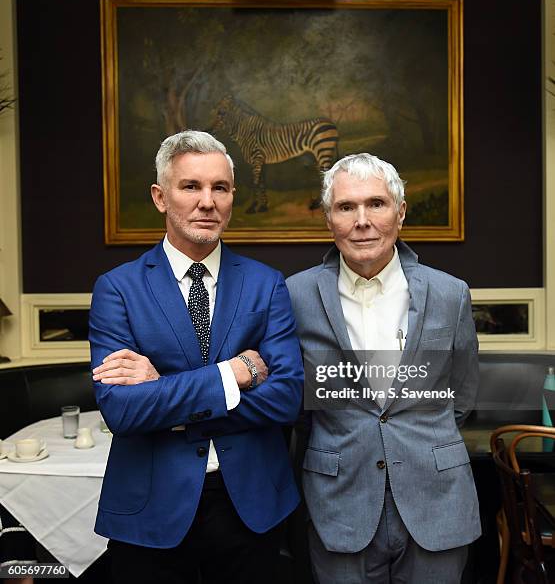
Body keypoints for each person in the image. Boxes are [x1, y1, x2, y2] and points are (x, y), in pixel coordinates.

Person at [89, 130, 304, 584]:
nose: (207, 201)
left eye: (220, 188)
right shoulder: (118, 289)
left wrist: (164, 395)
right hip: (152, 510)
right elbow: (122, 411)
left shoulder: (267, 284)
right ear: (160, 197)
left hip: (251, 507)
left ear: (231, 197)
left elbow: (286, 398)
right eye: (191, 187)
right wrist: (233, 373)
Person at [286, 153, 481, 584]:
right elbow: (298, 405)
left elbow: (461, 396)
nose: (362, 220)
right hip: (340, 501)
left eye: (376, 203)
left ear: (400, 211)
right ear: (327, 217)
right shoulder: (293, 296)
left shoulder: (450, 293)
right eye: (345, 206)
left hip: (437, 499)